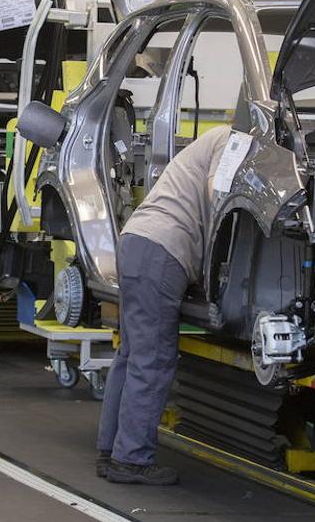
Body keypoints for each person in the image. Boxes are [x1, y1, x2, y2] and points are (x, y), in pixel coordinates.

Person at [97, 124, 233, 485]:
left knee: (131, 353)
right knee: (152, 358)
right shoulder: (233, 141)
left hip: (138, 242)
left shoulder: (217, 138)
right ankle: (132, 460)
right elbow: (219, 199)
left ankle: (111, 451)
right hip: (161, 249)